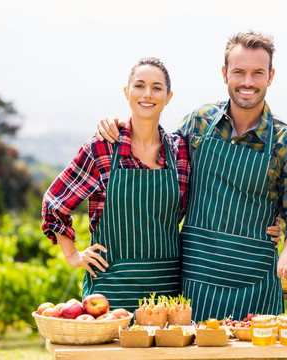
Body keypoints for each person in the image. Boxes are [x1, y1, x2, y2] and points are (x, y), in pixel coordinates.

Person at [95, 31, 287, 321]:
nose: (247, 81)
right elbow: (154, 149)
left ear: (270, 76)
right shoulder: (199, 123)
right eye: (239, 72)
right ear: (225, 74)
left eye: (257, 73)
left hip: (256, 288)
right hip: (195, 286)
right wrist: (118, 125)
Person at [41, 58, 191, 312]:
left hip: (167, 296)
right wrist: (72, 255)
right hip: (110, 294)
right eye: (139, 85)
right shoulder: (103, 147)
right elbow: (55, 202)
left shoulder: (180, 151)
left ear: (168, 96)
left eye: (157, 88)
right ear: (127, 92)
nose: (147, 94)